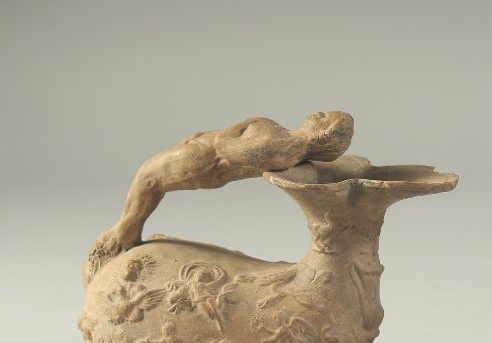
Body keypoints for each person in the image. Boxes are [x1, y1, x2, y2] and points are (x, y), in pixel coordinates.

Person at [83, 111, 354, 285]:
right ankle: (121, 242)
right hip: (203, 153)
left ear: (326, 133)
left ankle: (118, 243)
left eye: (325, 117)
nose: (318, 113)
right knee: (147, 184)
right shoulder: (284, 142)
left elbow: (227, 147)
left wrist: (248, 126)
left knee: (148, 180)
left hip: (203, 160)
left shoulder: (283, 148)